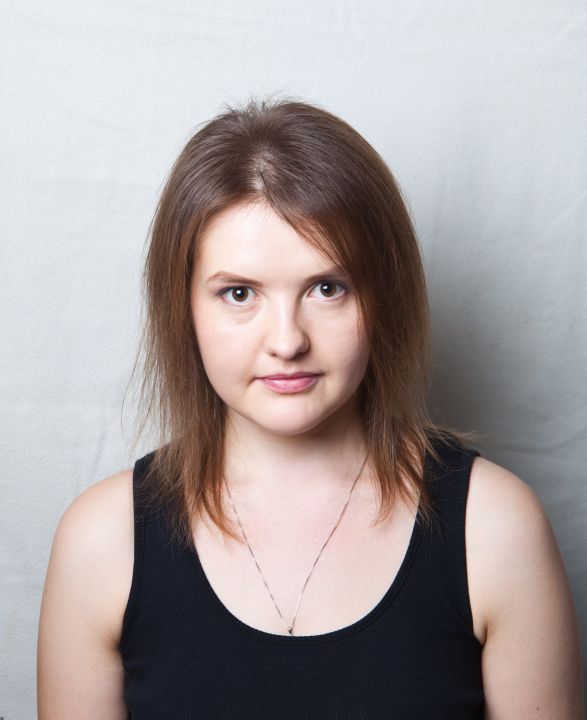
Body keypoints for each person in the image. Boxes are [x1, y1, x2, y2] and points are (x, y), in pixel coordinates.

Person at [37, 98, 583, 718]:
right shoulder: (101, 542)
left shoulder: (496, 529)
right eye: (238, 293)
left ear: (384, 295)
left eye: (327, 288)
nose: (287, 340)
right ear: (182, 307)